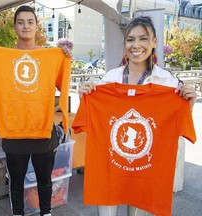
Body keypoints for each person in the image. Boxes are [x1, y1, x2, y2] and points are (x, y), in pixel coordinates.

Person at [75, 16, 197, 216]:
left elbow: (175, 124)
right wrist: (86, 98)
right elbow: (95, 121)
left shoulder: (168, 82)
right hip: (110, 171)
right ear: (125, 44)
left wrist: (187, 105)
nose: (136, 45)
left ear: (154, 42)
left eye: (143, 38)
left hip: (146, 173)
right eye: (130, 39)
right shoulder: (108, 80)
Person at [0, 5, 71, 216]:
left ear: (36, 26)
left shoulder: (50, 55)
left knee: (44, 180)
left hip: (43, 129)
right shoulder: (1, 56)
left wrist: (66, 58)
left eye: (30, 22)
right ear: (15, 27)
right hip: (13, 130)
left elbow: (63, 85)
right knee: (17, 181)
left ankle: (46, 213)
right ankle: (18, 213)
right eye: (21, 22)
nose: (26, 26)